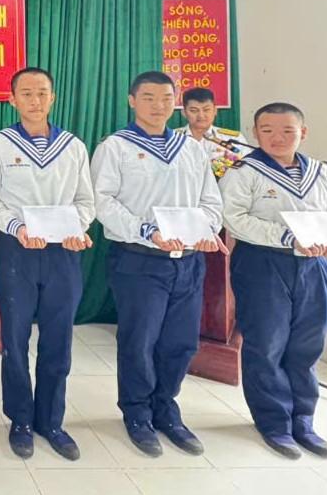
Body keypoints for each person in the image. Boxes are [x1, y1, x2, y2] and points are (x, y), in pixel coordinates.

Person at [91, 71, 225, 458]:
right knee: (140, 340)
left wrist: (206, 228)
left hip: (188, 261)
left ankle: (165, 407)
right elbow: (103, 201)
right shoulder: (115, 147)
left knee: (181, 342)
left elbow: (210, 200)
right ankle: (136, 412)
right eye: (148, 97)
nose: (158, 105)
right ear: (132, 101)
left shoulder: (191, 149)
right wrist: (146, 230)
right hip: (139, 259)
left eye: (166, 98)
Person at [220, 103, 327, 460]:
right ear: (255, 133)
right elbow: (234, 218)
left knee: (308, 342)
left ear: (303, 133)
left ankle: (303, 420)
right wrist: (286, 237)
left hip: (314, 265)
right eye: (267, 131)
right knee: (266, 343)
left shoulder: (323, 173)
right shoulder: (244, 171)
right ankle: (273, 422)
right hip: (263, 263)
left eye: (287, 131)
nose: (277, 138)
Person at [0, 67, 95, 461]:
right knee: (14, 339)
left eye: (42, 92)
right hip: (17, 251)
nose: (35, 100)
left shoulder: (73, 146)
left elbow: (85, 201)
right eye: (26, 93)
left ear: (53, 97)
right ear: (12, 99)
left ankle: (51, 421)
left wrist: (76, 228)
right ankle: (21, 420)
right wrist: (17, 227)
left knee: (58, 339)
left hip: (63, 252)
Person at [175, 87, 248, 178]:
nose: (201, 115)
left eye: (206, 110)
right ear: (184, 113)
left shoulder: (233, 139)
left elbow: (246, 169)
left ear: (215, 111)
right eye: (194, 111)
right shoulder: (173, 138)